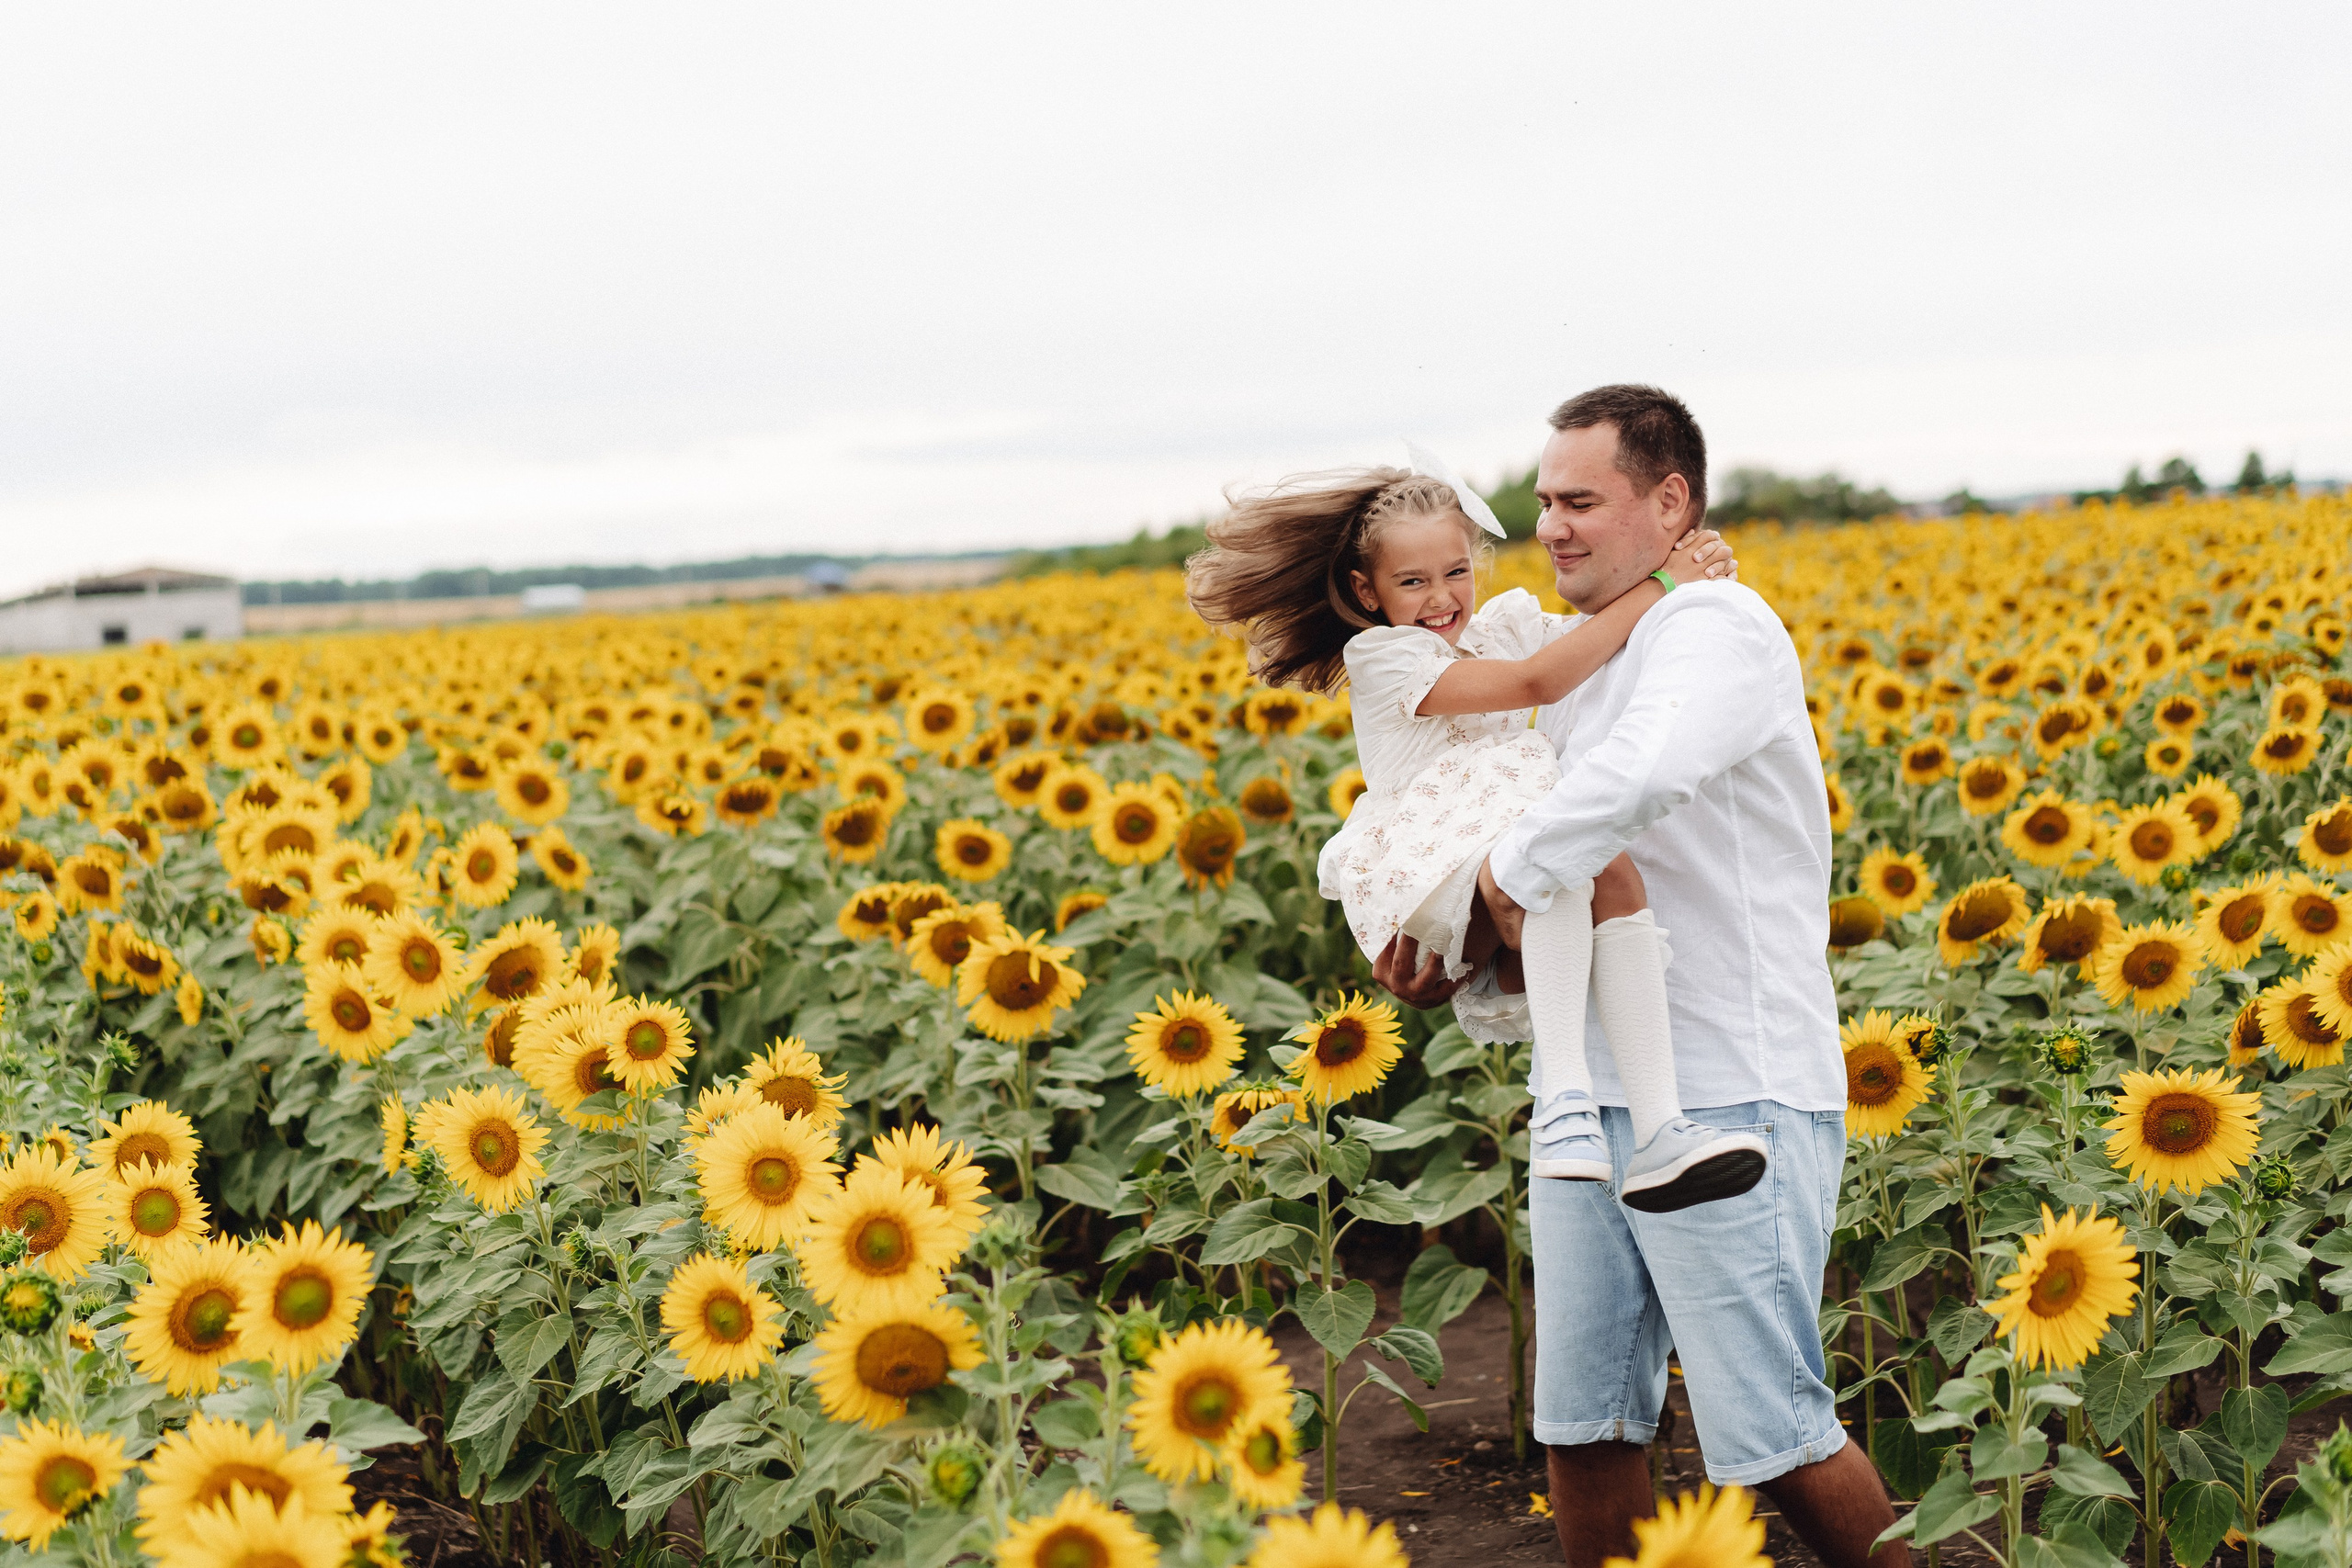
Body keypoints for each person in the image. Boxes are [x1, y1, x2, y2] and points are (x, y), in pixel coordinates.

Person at [1372, 386, 1905, 1568]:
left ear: (1669, 502)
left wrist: (1501, 875)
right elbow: (1523, 857)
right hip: (1585, 1100)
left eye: (1580, 500)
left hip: (1727, 1082)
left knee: (1770, 1430)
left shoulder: (1713, 630)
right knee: (1583, 1422)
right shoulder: (1567, 656)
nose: (1550, 525)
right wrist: (1454, 939)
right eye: (1542, 502)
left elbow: (1635, 779)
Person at [1185, 457, 1766, 1212]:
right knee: (1551, 848)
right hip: (1424, 853)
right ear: (1368, 591)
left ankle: (1661, 1132)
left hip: (1497, 834)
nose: (1441, 598)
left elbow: (1607, 635)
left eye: (1455, 572)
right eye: (1413, 581)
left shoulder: (1504, 628)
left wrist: (1683, 576)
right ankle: (1562, 1106)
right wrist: (1665, 585)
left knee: (1606, 873)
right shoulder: (1385, 655)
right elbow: (1539, 683)